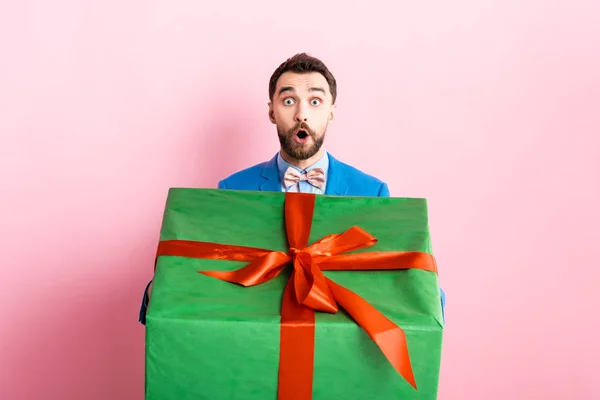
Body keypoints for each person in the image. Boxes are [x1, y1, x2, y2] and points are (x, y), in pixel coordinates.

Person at [139, 53, 445, 324]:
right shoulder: (233, 189)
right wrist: (165, 287)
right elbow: (215, 278)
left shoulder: (372, 192)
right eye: (288, 101)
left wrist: (427, 294)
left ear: (331, 112)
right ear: (272, 111)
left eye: (315, 101)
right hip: (258, 346)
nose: (301, 113)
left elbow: (390, 281)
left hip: (341, 350)